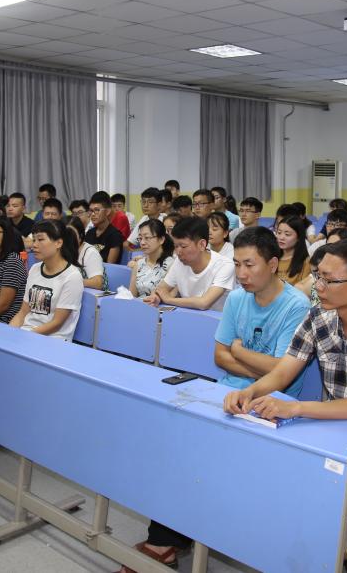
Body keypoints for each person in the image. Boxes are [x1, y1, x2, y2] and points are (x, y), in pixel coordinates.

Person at [223, 239, 347, 573]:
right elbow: (284, 371)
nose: (319, 286)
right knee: (284, 508)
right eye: (318, 276)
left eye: (329, 280)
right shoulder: (318, 317)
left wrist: (296, 409)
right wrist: (250, 392)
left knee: (328, 536)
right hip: (331, 437)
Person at [123, 227, 311, 570]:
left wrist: (239, 351)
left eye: (249, 265)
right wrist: (250, 361)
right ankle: (169, 538)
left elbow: (280, 372)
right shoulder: (237, 299)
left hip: (272, 405)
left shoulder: (296, 306)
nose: (241, 273)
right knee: (175, 446)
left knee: (209, 459)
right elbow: (219, 357)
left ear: (272, 264)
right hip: (225, 392)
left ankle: (168, 541)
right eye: (237, 264)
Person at [11, 220, 84, 340]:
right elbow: (22, 313)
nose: (34, 245)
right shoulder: (35, 269)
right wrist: (9, 332)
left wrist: (24, 336)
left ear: (58, 243)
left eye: (40, 239)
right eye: (34, 240)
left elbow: (56, 323)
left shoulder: (72, 276)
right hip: (27, 334)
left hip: (53, 340)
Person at [144, 217, 236, 311]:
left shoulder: (225, 265)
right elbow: (162, 288)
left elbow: (204, 303)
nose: (178, 252)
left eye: (183, 246)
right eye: (176, 246)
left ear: (202, 244)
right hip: (188, 315)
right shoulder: (180, 261)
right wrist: (156, 297)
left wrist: (169, 299)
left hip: (216, 318)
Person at [128, 218, 175, 298]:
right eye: (140, 238)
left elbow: (168, 297)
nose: (142, 243)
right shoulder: (139, 264)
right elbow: (131, 296)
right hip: (138, 304)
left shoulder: (171, 265)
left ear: (161, 239)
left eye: (147, 238)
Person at [67, 217, 107, 289]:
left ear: (80, 236)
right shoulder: (59, 249)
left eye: (71, 234)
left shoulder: (90, 252)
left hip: (92, 293)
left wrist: (71, 282)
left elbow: (98, 283)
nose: (67, 238)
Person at [85, 192, 123, 264]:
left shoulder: (115, 235)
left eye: (97, 210)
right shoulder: (89, 233)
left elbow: (109, 265)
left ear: (107, 211)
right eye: (91, 210)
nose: (93, 214)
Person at [274, 216, 312, 288]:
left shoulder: (306, 262)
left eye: (287, 234)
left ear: (299, 237)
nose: (281, 237)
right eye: (279, 233)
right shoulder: (271, 257)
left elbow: (304, 290)